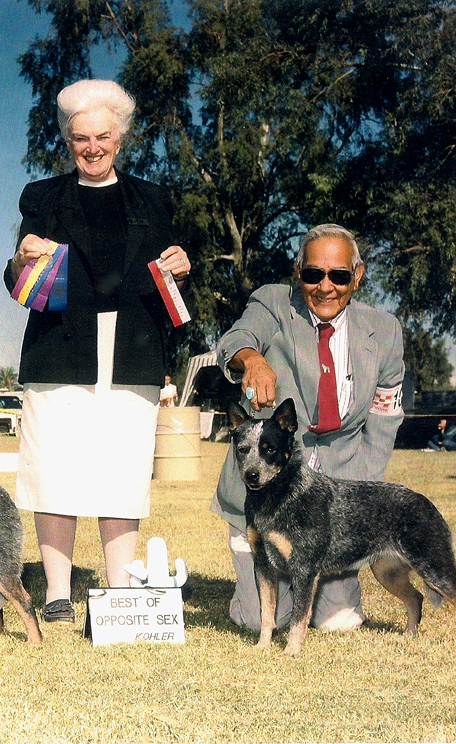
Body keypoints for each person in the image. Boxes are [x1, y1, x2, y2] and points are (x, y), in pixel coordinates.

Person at [3, 79, 191, 624]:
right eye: (79, 138)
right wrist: (22, 258)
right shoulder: (40, 196)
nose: (91, 147)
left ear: (120, 137)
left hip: (132, 347)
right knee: (54, 469)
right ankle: (59, 595)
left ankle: (120, 594)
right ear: (67, 140)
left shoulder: (153, 198)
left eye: (102, 136)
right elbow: (18, 279)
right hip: (60, 347)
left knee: (123, 471)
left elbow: (172, 273)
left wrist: (181, 264)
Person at [211, 223, 405, 633]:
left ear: (358, 275)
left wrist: (358, 502)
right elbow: (236, 339)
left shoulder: (385, 332)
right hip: (264, 496)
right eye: (313, 274)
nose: (326, 287)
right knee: (262, 621)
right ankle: (249, 584)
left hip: (334, 503)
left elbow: (384, 422)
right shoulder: (272, 303)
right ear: (298, 271)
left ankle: (324, 593)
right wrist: (253, 361)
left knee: (338, 622)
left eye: (339, 275)